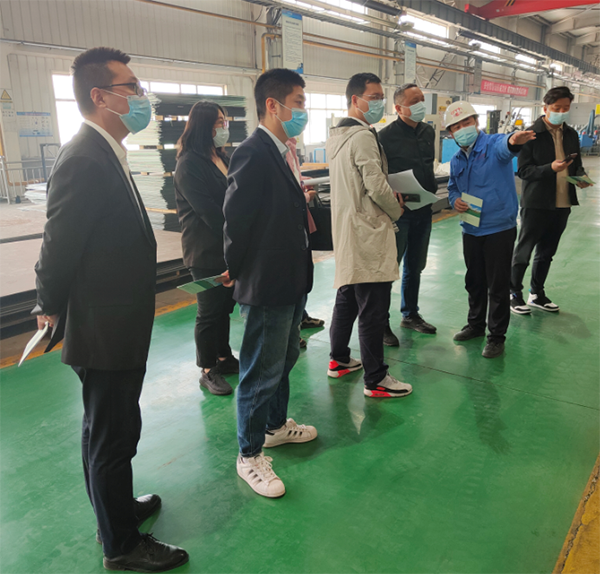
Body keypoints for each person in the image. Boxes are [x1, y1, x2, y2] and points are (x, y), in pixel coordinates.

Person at [33, 47, 188, 572]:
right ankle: (121, 544)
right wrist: (47, 304)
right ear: (100, 96)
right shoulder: (84, 157)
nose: (142, 97)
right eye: (132, 88)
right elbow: (59, 242)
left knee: (108, 429)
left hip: (116, 318)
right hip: (103, 326)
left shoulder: (106, 151)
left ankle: (115, 510)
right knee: (112, 436)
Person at [223, 68, 317, 499]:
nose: (303, 111)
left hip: (291, 277)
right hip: (266, 280)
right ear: (273, 106)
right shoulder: (253, 152)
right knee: (260, 370)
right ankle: (249, 454)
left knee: (285, 357)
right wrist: (237, 270)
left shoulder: (284, 152)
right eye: (298, 103)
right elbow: (236, 219)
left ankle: (276, 426)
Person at [326, 72, 412, 398]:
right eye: (373, 97)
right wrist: (396, 209)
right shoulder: (362, 136)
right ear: (355, 99)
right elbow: (375, 185)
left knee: (347, 296)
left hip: (349, 230)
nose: (379, 103)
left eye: (381, 97)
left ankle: (338, 360)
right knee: (373, 309)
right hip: (367, 231)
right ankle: (375, 379)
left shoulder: (338, 136)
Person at [446, 101, 535, 358]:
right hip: (471, 228)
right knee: (474, 281)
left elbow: (507, 145)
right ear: (450, 133)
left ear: (476, 122)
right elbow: (453, 187)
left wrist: (514, 140)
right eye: (456, 126)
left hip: (498, 228)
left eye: (466, 122)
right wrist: (455, 200)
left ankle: (496, 336)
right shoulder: (456, 159)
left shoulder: (493, 145)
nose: (463, 129)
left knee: (497, 285)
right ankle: (475, 325)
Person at [174, 101, 239, 396]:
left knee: (225, 306)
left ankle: (224, 357)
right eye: (218, 123)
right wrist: (239, 233)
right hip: (205, 250)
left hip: (226, 245)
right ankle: (207, 368)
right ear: (203, 126)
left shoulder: (221, 157)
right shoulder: (189, 164)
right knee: (209, 311)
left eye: (224, 122)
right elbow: (209, 212)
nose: (224, 127)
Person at [510, 86, 591, 314]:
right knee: (524, 251)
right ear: (545, 108)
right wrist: (550, 168)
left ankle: (537, 293)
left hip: (562, 202)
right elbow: (523, 171)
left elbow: (576, 164)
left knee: (547, 252)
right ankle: (514, 293)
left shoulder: (571, 134)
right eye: (557, 108)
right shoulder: (531, 134)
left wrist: (581, 178)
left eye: (566, 108)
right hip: (536, 203)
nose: (561, 112)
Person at [379, 83, 437, 346]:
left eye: (422, 99)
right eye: (414, 101)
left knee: (416, 265)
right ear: (398, 108)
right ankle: (381, 323)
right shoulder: (384, 137)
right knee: (390, 268)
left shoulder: (428, 131)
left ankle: (410, 314)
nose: (420, 104)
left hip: (424, 209)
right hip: (399, 213)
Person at [285, 136, 325, 349]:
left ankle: (299, 319)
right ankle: (290, 332)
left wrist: (305, 184)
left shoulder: (290, 146)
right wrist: (306, 197)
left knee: (302, 277)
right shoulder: (274, 150)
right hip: (287, 229)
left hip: (299, 225)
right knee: (291, 280)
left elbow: (294, 179)